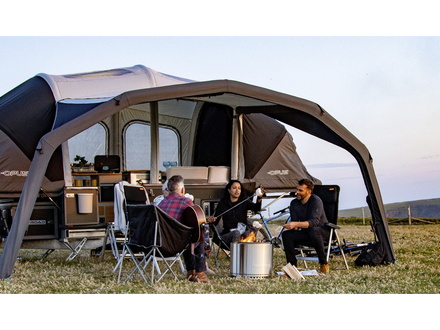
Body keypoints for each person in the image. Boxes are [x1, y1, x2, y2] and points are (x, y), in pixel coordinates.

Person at [158, 175, 211, 283]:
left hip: (159, 244)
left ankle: (191, 272)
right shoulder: (186, 202)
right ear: (182, 189)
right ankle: (199, 273)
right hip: (176, 245)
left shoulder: (160, 203)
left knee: (187, 236)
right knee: (198, 234)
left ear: (168, 188)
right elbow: (197, 222)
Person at [281, 179, 330, 274]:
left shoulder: (316, 201)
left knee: (313, 230)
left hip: (321, 233)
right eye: (297, 189)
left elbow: (314, 222)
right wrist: (292, 226)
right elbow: (295, 222)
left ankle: (323, 263)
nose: (297, 192)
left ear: (309, 191)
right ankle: (292, 267)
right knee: (286, 235)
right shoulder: (294, 203)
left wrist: (295, 224)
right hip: (306, 233)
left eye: (300, 190)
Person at [207, 180, 265, 246]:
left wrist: (259, 198)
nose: (237, 190)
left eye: (239, 188)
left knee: (248, 233)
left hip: (242, 234)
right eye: (234, 188)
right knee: (236, 233)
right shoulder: (223, 204)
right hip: (228, 235)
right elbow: (215, 221)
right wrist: (211, 221)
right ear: (229, 190)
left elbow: (256, 208)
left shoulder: (244, 202)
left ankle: (247, 255)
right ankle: (236, 255)